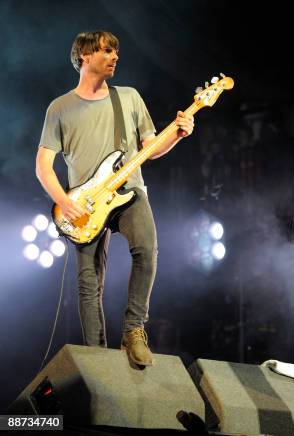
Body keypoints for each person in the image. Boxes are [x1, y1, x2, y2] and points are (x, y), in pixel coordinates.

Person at [35, 31, 194, 366]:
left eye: (116, 50)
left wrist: (177, 135)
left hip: (129, 191)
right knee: (88, 281)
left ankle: (134, 330)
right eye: (105, 50)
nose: (114, 56)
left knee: (147, 250)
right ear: (83, 56)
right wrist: (64, 202)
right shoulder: (60, 108)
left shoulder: (129, 98)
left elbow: (150, 150)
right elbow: (43, 166)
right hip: (84, 206)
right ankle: (96, 355)